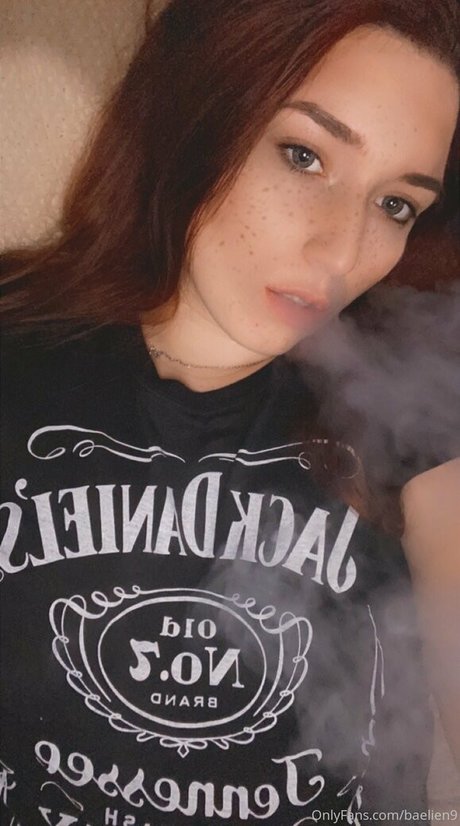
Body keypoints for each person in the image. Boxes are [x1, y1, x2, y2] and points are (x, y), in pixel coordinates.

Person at [1, 1, 459, 823]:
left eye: (396, 203)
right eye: (303, 155)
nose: (341, 251)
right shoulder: (14, 346)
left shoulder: (415, 399)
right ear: (193, 117)